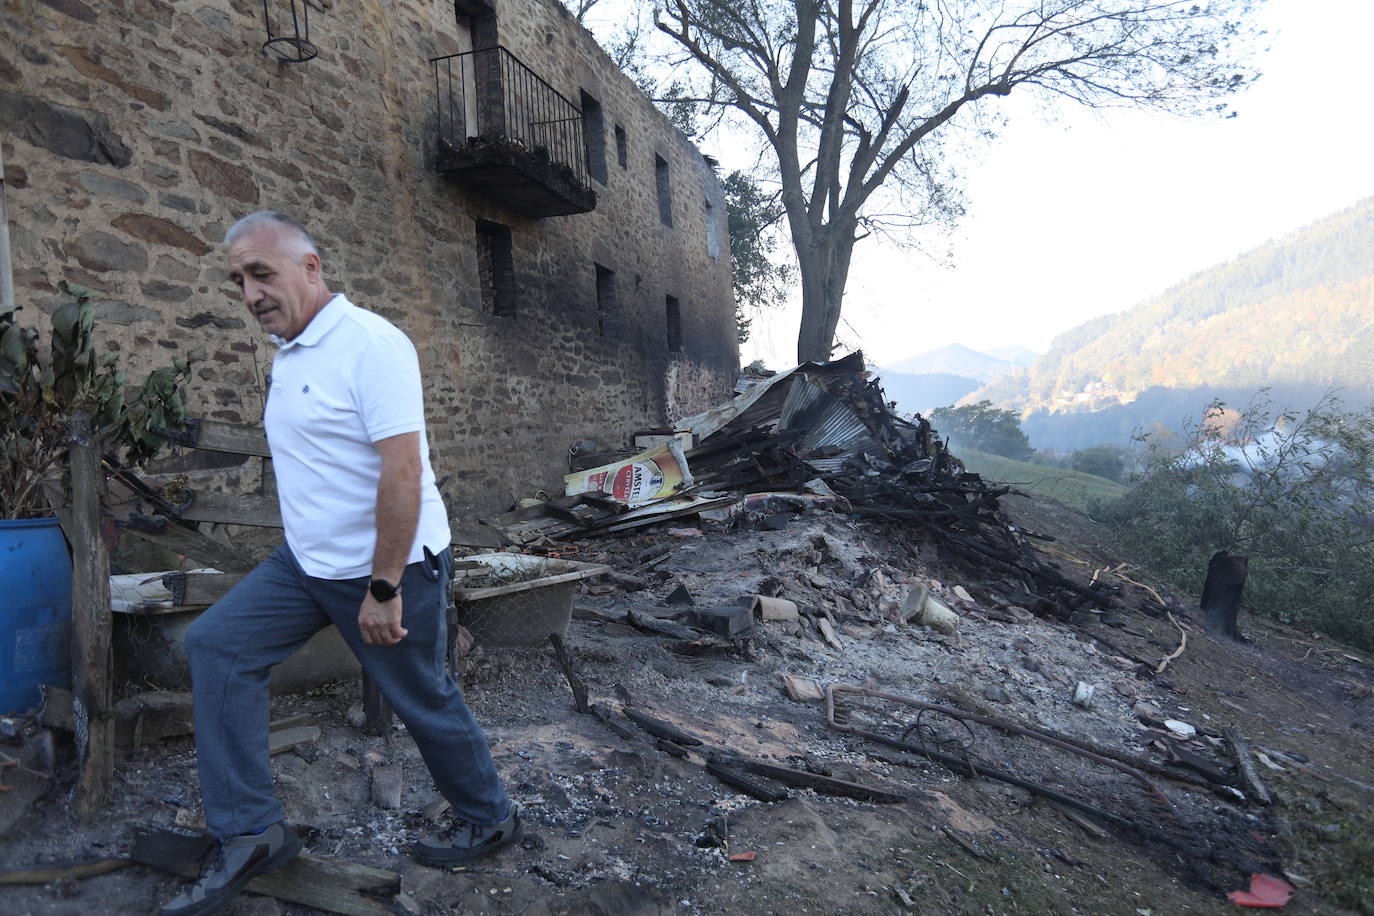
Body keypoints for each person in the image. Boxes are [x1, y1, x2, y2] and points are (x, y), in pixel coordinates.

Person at [160, 211, 519, 916]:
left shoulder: (370, 345)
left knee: (421, 696)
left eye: (262, 273)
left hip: (387, 568)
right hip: (305, 565)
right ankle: (251, 833)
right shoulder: (290, 351)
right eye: (239, 280)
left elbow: (403, 474)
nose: (250, 293)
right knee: (218, 646)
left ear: (311, 267)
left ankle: (490, 815)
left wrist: (384, 586)